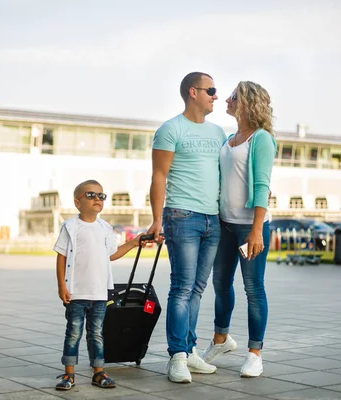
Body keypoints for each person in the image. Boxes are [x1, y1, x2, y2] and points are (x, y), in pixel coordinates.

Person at [147, 72, 228, 383]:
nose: (216, 96)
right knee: (182, 288)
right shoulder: (170, 129)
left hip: (213, 219)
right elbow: (158, 176)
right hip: (182, 216)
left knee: (197, 288)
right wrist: (157, 219)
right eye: (211, 90)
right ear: (193, 92)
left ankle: (190, 350)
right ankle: (177, 357)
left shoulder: (218, 132)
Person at [201, 82, 277, 378]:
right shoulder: (230, 138)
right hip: (225, 224)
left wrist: (257, 229)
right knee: (220, 284)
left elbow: (262, 186)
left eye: (232, 96)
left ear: (246, 102)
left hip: (250, 227)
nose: (226, 100)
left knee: (253, 288)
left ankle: (255, 353)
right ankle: (221, 340)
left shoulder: (261, 139)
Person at [53, 179, 146, 391]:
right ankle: (69, 374)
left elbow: (112, 255)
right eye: (91, 195)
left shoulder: (105, 228)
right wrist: (61, 286)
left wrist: (133, 243)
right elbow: (60, 256)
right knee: (74, 332)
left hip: (100, 293)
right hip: (76, 292)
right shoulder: (70, 227)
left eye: (101, 196)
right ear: (77, 202)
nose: (97, 199)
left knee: (96, 333)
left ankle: (98, 372)